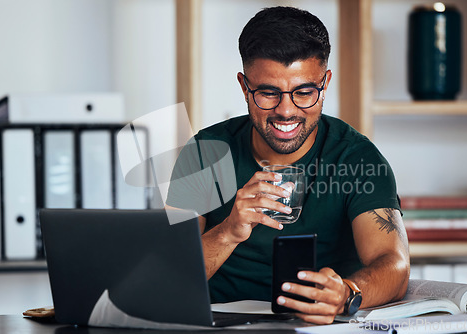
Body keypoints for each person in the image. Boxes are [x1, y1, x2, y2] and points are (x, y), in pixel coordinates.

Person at [166, 6, 409, 325]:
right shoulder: (205, 152)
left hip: (318, 325)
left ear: (325, 83)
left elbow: (393, 263)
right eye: (268, 93)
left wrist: (346, 293)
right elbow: (168, 276)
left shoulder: (357, 158)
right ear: (244, 86)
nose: (286, 111)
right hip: (217, 322)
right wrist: (228, 231)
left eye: (304, 92)